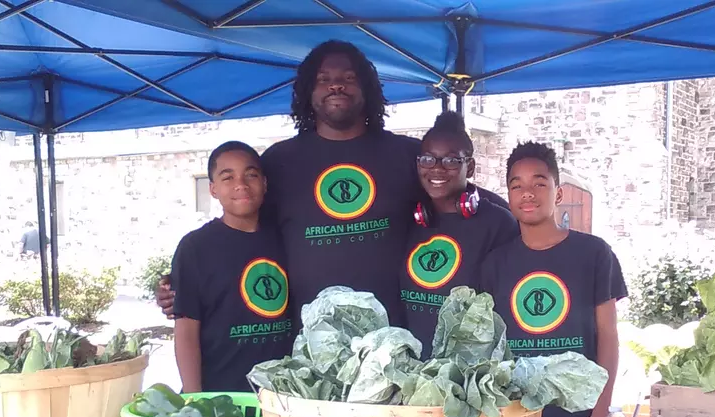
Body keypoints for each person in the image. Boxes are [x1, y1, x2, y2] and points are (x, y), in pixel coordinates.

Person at [157, 40, 507, 325]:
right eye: (324, 79)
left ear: (367, 90)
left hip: (393, 340)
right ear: (308, 92)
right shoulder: (280, 161)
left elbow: (468, 198)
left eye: (348, 78)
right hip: (309, 340)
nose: (336, 85)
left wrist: (531, 227)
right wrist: (188, 283)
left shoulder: (405, 154)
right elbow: (243, 231)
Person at [480, 141, 625, 417]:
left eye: (539, 183)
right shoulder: (494, 264)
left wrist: (599, 410)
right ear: (509, 195)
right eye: (517, 185)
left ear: (558, 193)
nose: (527, 193)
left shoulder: (594, 254)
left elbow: (608, 335)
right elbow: (490, 346)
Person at [170, 141, 294, 393]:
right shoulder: (196, 247)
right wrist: (195, 398)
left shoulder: (287, 238)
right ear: (213, 189)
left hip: (284, 395)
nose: (241, 184)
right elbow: (186, 331)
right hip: (223, 396)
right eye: (228, 177)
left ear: (265, 183)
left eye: (251, 175)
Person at [400, 111, 519, 356]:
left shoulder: (498, 223)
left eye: (452, 160)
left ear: (471, 166)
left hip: (467, 376)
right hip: (408, 367)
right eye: (428, 159)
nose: (437, 169)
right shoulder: (407, 218)